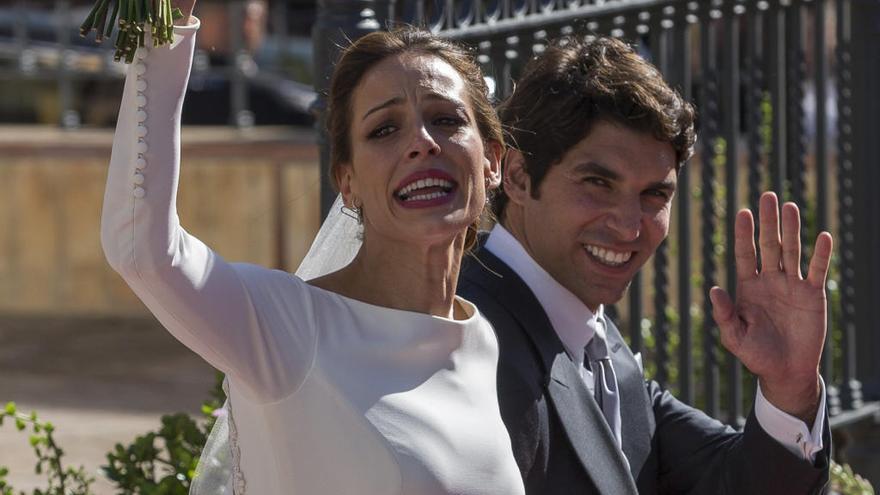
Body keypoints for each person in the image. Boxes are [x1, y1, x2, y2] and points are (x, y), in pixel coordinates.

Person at [100, 1, 525, 493]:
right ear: (347, 183)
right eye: (384, 129)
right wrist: (163, 27)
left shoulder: (480, 339)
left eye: (446, 120)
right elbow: (143, 251)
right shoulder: (287, 329)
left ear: (492, 160)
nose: (422, 142)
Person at [458, 36, 832, 494]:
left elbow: (731, 482)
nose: (629, 227)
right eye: (598, 183)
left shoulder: (592, 335)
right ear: (517, 176)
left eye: (655, 194)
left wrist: (790, 388)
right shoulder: (468, 343)